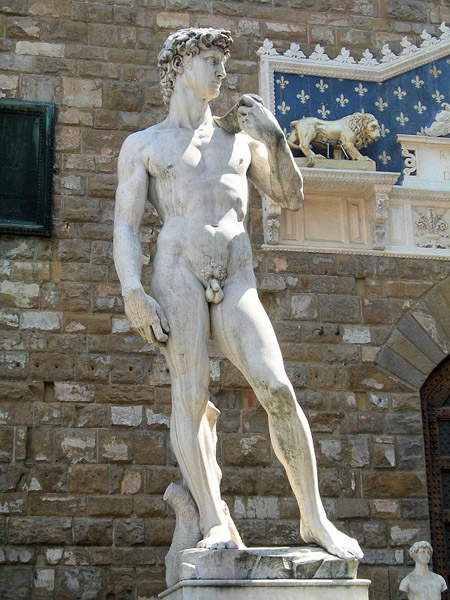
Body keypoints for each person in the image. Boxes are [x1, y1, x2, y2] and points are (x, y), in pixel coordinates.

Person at [113, 27, 363, 560]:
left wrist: (273, 137)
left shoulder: (241, 138)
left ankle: (313, 519)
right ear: (180, 65)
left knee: (277, 387)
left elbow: (289, 196)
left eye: (224, 61)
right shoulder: (145, 145)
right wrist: (133, 291)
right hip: (177, 272)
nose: (222, 71)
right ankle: (212, 518)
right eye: (211, 59)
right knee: (191, 395)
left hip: (236, 274)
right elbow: (126, 227)